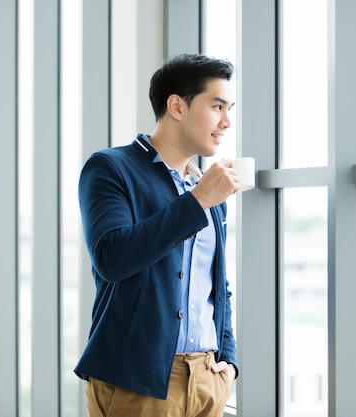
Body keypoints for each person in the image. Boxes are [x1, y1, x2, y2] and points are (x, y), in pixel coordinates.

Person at [75, 53, 240, 417]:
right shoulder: (110, 168)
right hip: (138, 382)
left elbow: (217, 286)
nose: (227, 121)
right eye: (217, 106)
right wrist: (197, 202)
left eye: (230, 108)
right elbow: (112, 258)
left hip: (207, 379)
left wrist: (228, 358)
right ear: (177, 107)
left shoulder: (205, 186)